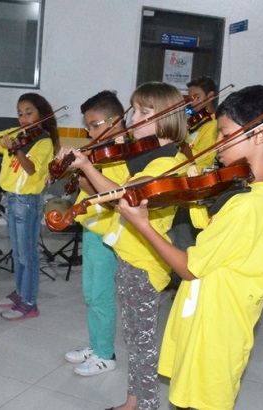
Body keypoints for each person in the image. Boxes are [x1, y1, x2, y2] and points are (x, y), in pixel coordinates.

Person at [116, 85, 263, 410]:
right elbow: (208, 228)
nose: (218, 142)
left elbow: (189, 267)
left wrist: (143, 225)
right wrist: (193, 193)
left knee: (202, 401)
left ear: (259, 135)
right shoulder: (248, 192)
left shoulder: (247, 205)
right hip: (209, 320)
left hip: (216, 332)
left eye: (225, 133)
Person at [64, 82, 188, 410]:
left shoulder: (165, 164)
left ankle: (145, 405)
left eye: (145, 111)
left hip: (145, 264)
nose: (135, 118)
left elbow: (121, 198)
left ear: (168, 117)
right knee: (134, 340)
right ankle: (133, 400)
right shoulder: (147, 156)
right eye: (135, 109)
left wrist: (88, 166)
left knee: (143, 344)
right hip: (130, 256)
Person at [0, 93, 59, 320]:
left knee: (27, 254)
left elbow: (31, 169)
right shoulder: (18, 134)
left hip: (27, 201)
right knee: (18, 252)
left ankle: (29, 303)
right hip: (13, 198)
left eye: (29, 112)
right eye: (20, 113)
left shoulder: (44, 141)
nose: (23, 118)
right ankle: (20, 293)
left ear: (41, 113)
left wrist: (16, 150)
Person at [61, 90, 127, 376]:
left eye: (95, 124)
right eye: (87, 125)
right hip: (91, 227)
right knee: (90, 293)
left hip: (107, 232)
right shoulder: (99, 149)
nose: (90, 131)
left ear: (117, 120)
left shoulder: (125, 152)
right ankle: (95, 343)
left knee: (101, 295)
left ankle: (105, 354)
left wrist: (83, 174)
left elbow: (113, 194)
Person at [169, 76, 219, 254]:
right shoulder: (194, 123)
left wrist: (181, 141)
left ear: (210, 96)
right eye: (189, 98)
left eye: (197, 97)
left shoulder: (213, 126)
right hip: (180, 185)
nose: (192, 102)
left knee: (186, 243)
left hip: (195, 185)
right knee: (174, 238)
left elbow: (199, 160)